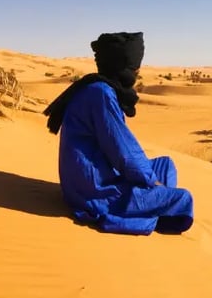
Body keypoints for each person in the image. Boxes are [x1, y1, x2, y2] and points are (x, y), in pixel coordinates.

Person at [43, 32, 194, 235]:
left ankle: (150, 202)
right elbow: (124, 153)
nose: (136, 73)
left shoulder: (95, 87)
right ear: (122, 68)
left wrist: (147, 178)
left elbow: (121, 149)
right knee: (183, 199)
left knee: (166, 164)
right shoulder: (101, 94)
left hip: (89, 180)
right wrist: (150, 181)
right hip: (96, 192)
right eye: (134, 69)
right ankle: (141, 215)